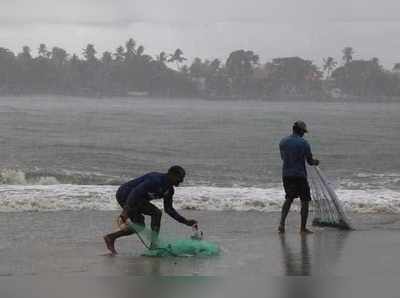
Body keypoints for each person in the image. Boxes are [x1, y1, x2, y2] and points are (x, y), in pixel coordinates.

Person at [103, 165, 197, 254]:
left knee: (139, 225)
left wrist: (185, 221)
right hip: (125, 194)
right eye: (180, 177)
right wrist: (125, 212)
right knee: (156, 213)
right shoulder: (155, 180)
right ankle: (154, 245)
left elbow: (169, 209)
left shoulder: (169, 190)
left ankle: (110, 237)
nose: (181, 180)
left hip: (138, 199)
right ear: (171, 174)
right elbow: (135, 192)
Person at [278, 121, 319, 234]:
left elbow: (283, 158)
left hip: (286, 175)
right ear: (300, 131)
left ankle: (281, 224)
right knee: (305, 201)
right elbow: (310, 161)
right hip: (300, 176)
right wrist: (316, 162)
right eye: (303, 132)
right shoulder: (304, 143)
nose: (304, 134)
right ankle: (302, 228)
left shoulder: (283, 142)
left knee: (289, 198)